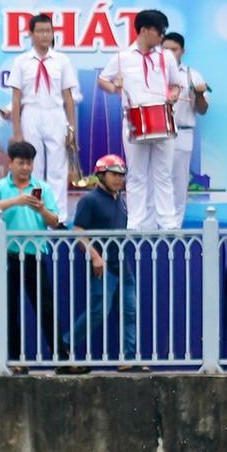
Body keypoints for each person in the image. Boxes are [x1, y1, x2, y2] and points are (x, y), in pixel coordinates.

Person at [95, 9, 181, 231]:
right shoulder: (123, 58)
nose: (162, 36)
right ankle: (135, 222)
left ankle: (167, 222)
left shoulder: (166, 57)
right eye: (159, 31)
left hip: (162, 118)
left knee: (163, 173)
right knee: (136, 173)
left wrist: (174, 95)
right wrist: (116, 87)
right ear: (144, 30)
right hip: (134, 121)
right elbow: (103, 80)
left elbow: (176, 84)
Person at [0, 139, 65, 368]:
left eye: (29, 163)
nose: (26, 168)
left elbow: (55, 220)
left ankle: (61, 357)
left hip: (35, 255)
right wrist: (17, 200)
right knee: (9, 310)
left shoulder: (42, 188)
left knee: (46, 308)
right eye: (21, 163)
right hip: (7, 257)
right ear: (10, 163)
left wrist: (41, 209)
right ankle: (17, 360)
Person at [66, 154, 132, 365]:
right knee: (97, 311)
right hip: (103, 268)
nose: (119, 179)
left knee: (130, 311)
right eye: (114, 175)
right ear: (101, 176)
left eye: (121, 175)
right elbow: (77, 232)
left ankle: (129, 358)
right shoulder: (89, 201)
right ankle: (64, 345)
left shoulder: (121, 201)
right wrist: (95, 257)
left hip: (124, 266)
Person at [8, 14, 79, 200]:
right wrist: (17, 132)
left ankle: (57, 217)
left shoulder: (62, 61)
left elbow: (68, 96)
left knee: (58, 168)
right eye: (40, 31)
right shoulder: (21, 62)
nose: (45, 35)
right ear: (31, 34)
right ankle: (36, 214)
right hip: (31, 114)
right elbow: (16, 98)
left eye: (48, 31)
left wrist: (72, 127)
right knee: (34, 167)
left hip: (55, 114)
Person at [164, 31, 208, 213]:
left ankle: (175, 228)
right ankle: (153, 227)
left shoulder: (192, 75)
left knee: (179, 182)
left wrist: (198, 94)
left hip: (182, 131)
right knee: (156, 179)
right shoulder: (153, 73)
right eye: (164, 50)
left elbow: (203, 109)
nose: (169, 54)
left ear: (182, 51)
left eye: (173, 50)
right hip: (157, 132)